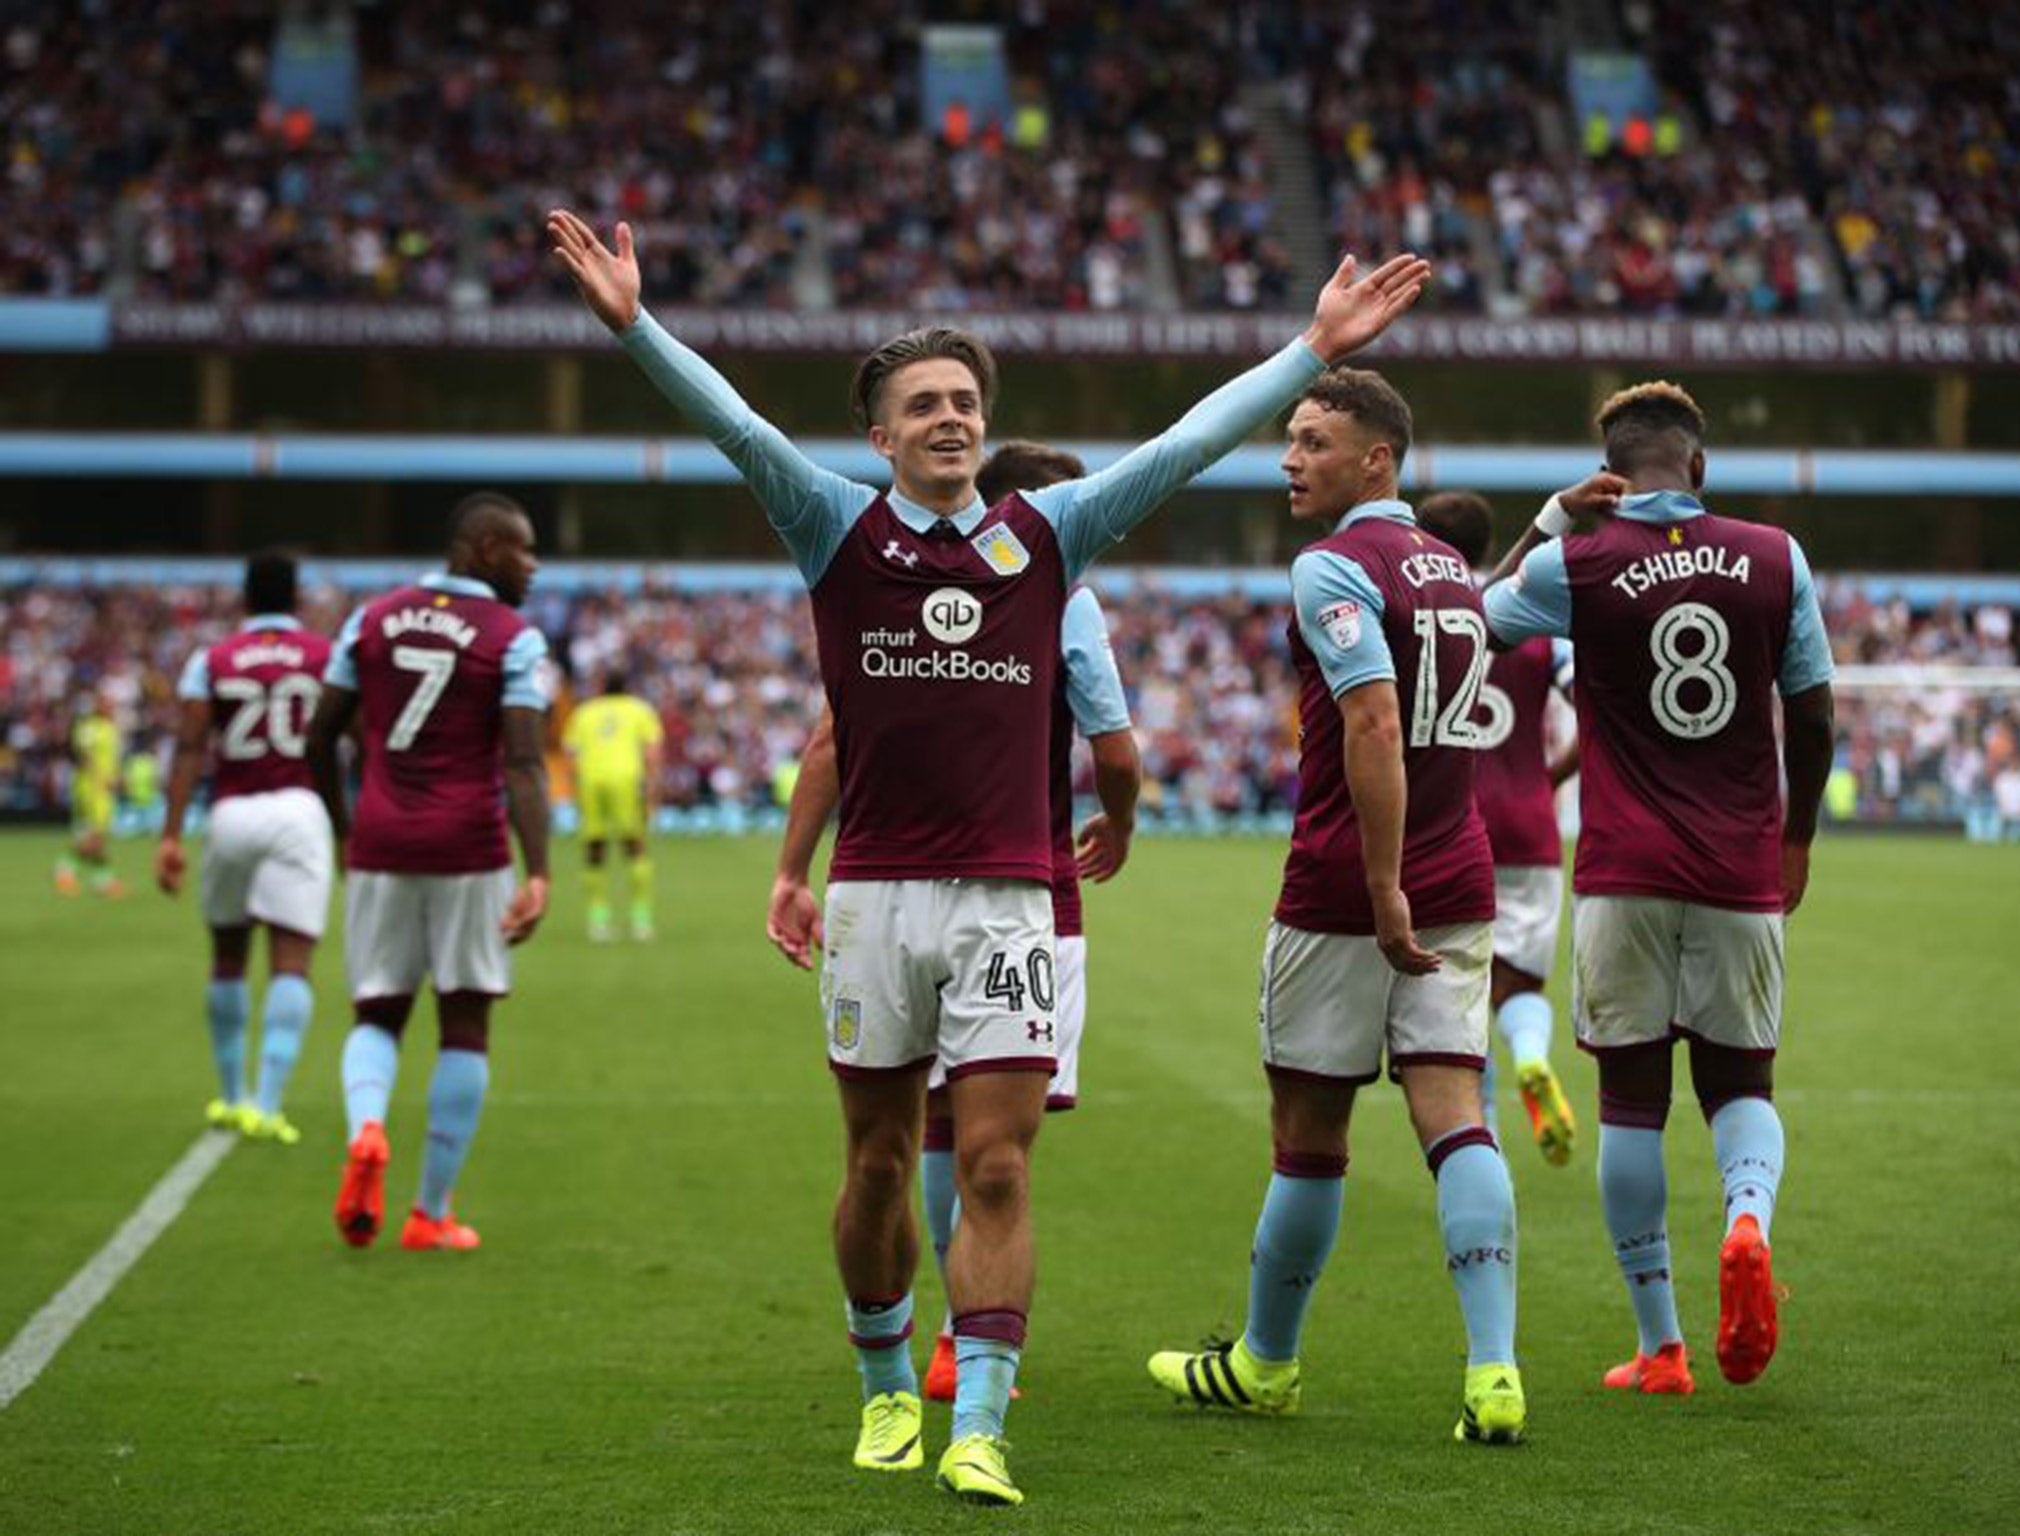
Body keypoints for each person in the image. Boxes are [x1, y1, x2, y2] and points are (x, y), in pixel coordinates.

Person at [548, 204, 1427, 1505]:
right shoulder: (834, 527)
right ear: (881, 435)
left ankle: (984, 1422)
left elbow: (1186, 445)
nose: (952, 417)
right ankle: (885, 1386)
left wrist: (1311, 350)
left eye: (965, 398)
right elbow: (737, 429)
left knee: (1001, 1163)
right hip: (876, 906)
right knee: (880, 1164)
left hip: (1015, 903)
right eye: (924, 404)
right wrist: (637, 331)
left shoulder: (1050, 532)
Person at [1145, 370, 1596, 1447]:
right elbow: (1477, 612)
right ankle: (1493, 1373)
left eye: (1311, 441)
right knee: (1454, 1112)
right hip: (1463, 873)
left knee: (1308, 1133)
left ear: (1375, 461)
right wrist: (1549, 521)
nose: (1289, 458)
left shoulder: (1329, 567)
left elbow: (1375, 725)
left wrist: (1380, 885)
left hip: (1350, 889)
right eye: (1289, 440)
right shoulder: (1447, 571)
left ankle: (1265, 1362)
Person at [764, 441, 1143, 1404]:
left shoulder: (893, 590)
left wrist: (789, 867)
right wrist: (1125, 817)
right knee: (999, 1153)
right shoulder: (1063, 586)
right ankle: (956, 1345)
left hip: (887, 889)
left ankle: (940, 1358)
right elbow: (1115, 744)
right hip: (1027, 891)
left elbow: (829, 737)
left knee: (915, 1137)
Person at [1484, 381, 1834, 1394]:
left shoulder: (1574, 563)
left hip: (1621, 872)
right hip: (1737, 869)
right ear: (1697, 467)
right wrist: (1796, 837)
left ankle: (1660, 1346)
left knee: (1630, 1104)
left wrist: (1551, 520)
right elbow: (1810, 716)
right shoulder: (1776, 557)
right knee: (1739, 1085)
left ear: (1609, 472)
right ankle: (1744, 1222)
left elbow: (1467, 624)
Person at [306, 494, 552, 1254]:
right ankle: (430, 1212)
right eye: (521, 549)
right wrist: (537, 869)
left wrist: (347, 829)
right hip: (469, 849)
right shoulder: (512, 637)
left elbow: (320, 737)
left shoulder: (369, 619)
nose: (533, 566)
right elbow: (522, 760)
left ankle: (368, 1128)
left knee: (377, 1011)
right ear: (480, 548)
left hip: (380, 841)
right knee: (465, 1021)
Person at [1416, 492, 1579, 1165]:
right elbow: (1599, 718)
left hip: (1450, 822)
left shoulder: (1424, 624)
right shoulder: (1540, 631)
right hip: (1529, 825)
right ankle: (1533, 1057)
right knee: (1520, 986)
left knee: (1459, 992)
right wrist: (1549, 777)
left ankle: (1478, 1132)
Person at [156, 551, 334, 1143]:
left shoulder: (213, 659)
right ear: (297, 600)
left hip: (232, 811)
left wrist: (171, 836)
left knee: (228, 955)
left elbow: (188, 747)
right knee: (292, 961)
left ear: (244, 599)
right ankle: (269, 1101)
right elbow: (352, 739)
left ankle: (231, 1095)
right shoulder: (323, 656)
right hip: (298, 809)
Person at [563, 668, 664, 942]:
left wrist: (576, 791)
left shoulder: (584, 712)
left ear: (602, 685)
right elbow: (652, 752)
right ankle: (641, 920)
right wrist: (653, 790)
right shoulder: (640, 709)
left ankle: (598, 920)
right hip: (627, 780)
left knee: (594, 847)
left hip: (591, 780)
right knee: (635, 845)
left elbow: (570, 755)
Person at [56, 689, 125, 898]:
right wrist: (103, 779)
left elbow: (110, 759)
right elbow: (85, 757)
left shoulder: (110, 728)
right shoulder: (88, 727)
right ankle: (64, 870)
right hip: (91, 789)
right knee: (96, 837)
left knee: (99, 838)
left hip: (104, 789)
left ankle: (102, 881)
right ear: (97, 705)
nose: (112, 707)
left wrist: (117, 777)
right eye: (107, 703)